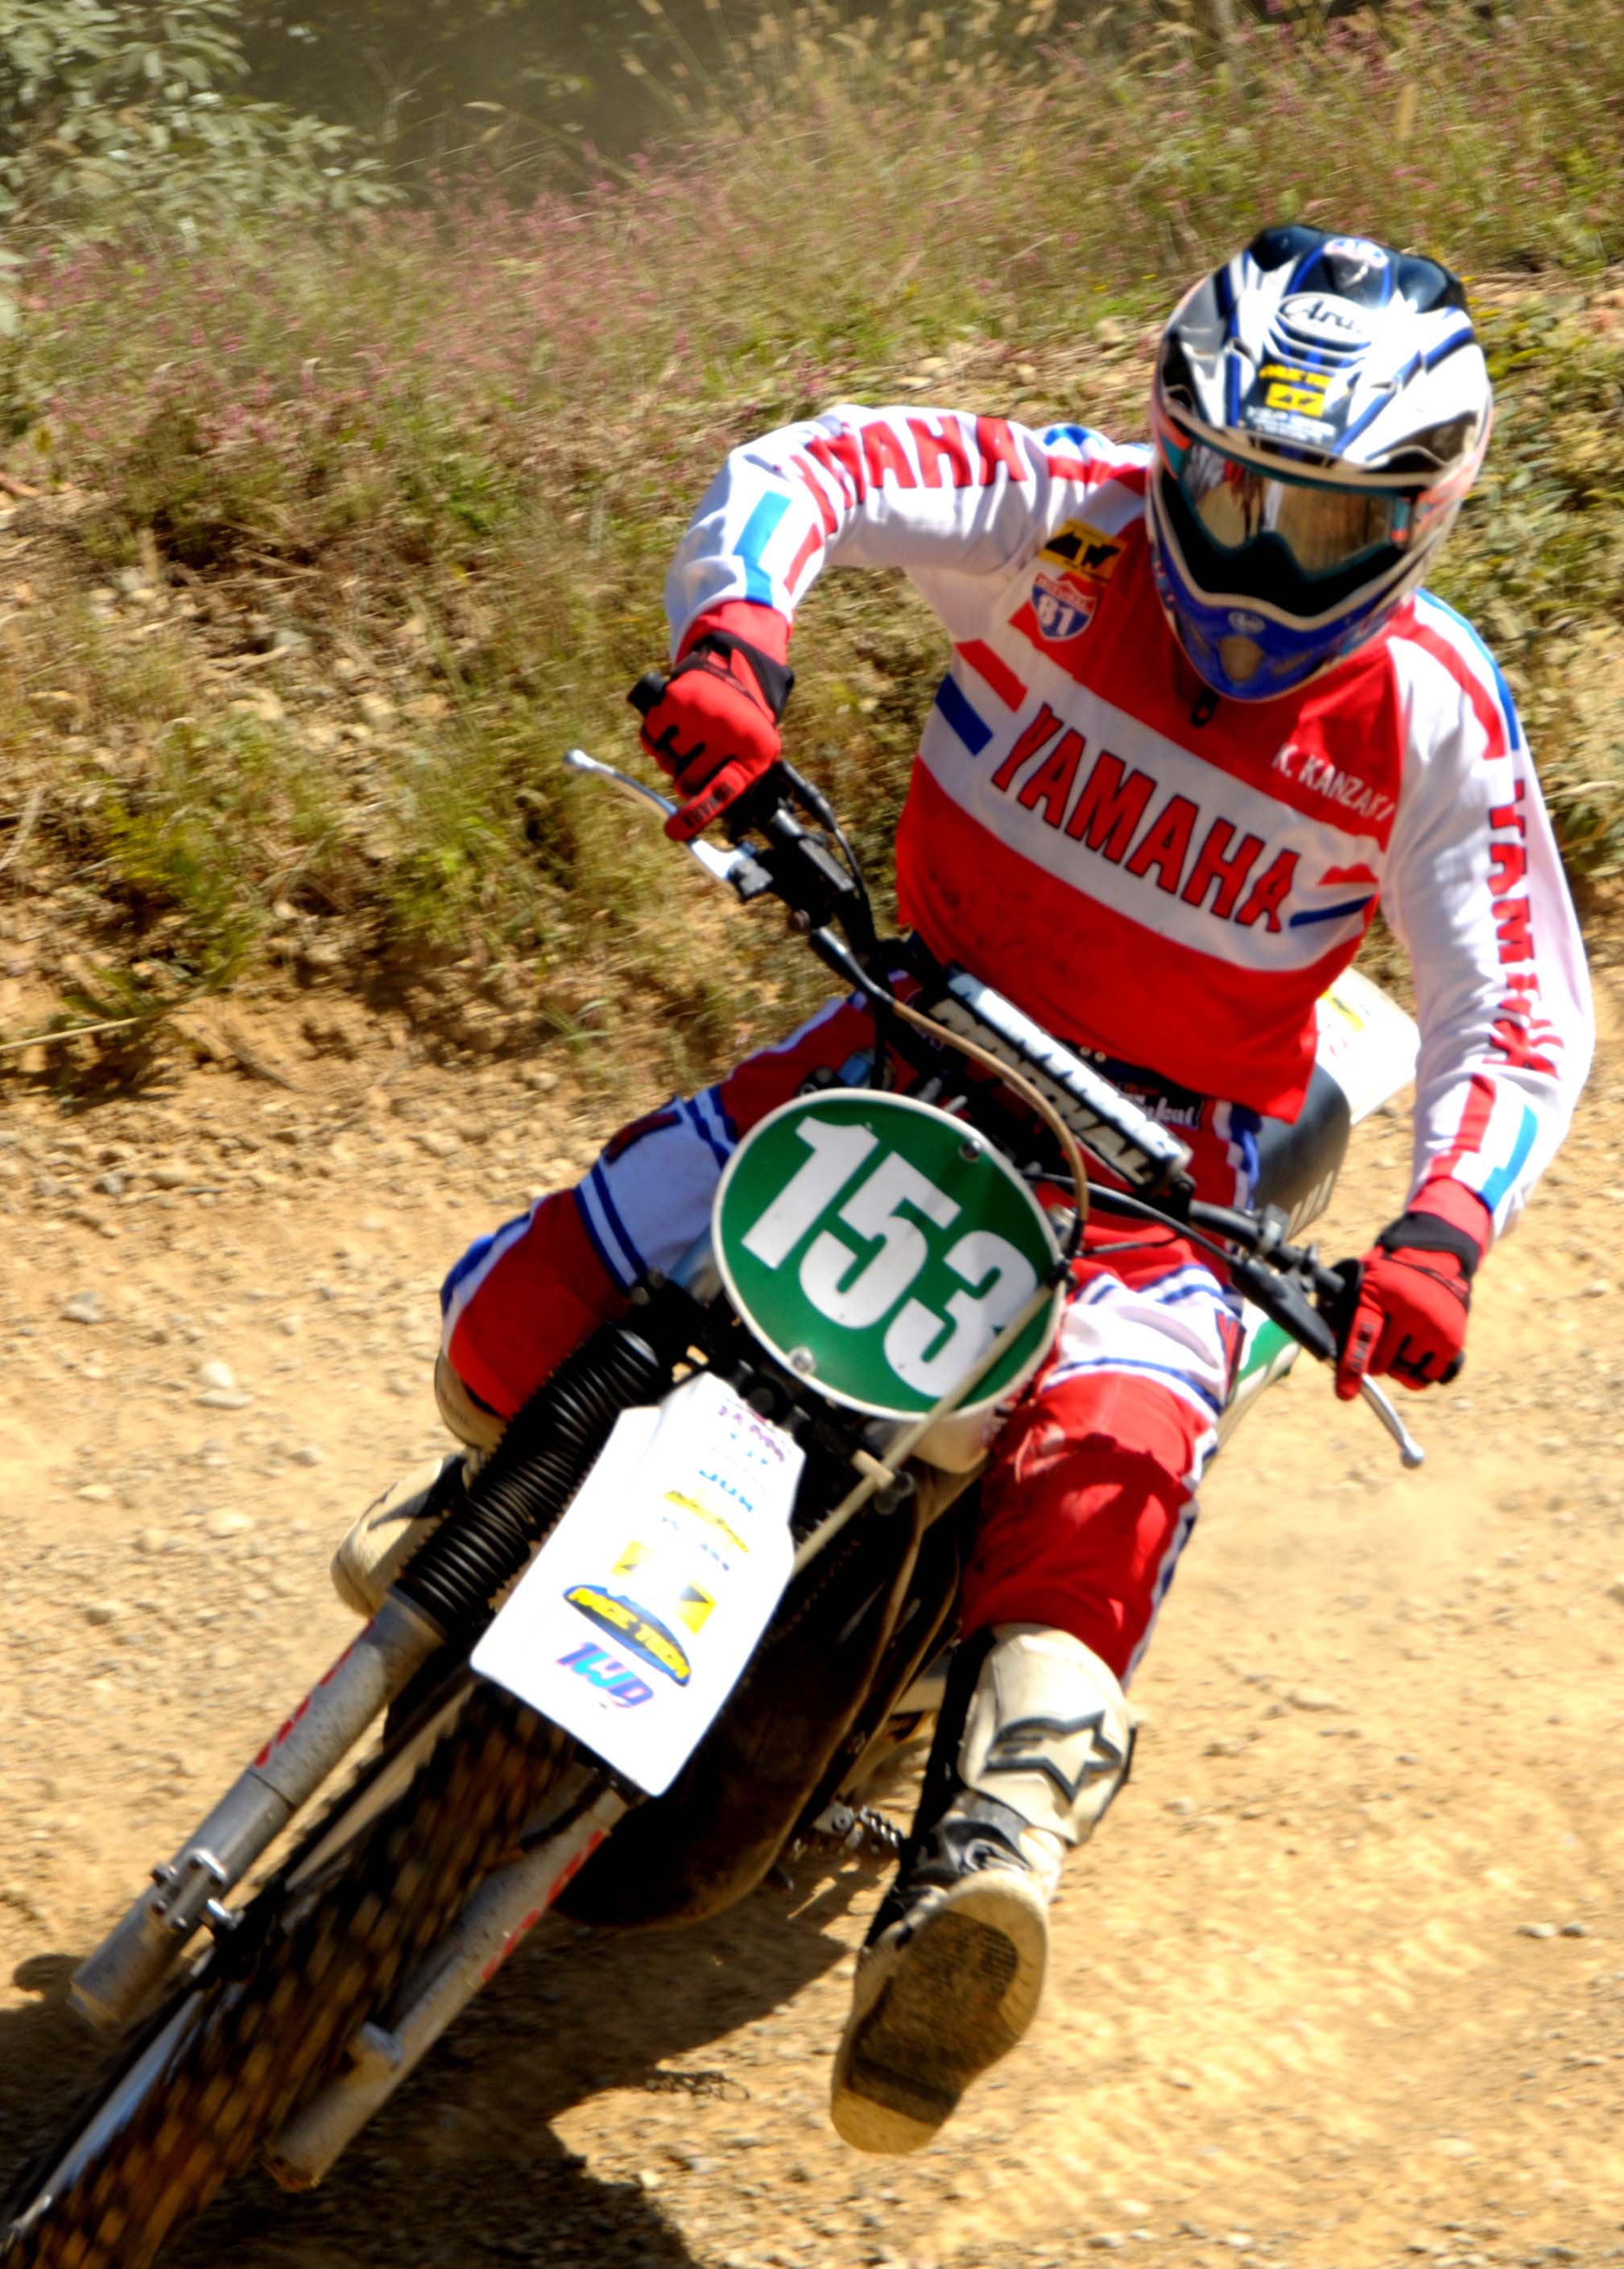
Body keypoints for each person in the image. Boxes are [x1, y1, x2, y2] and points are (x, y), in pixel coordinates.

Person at [341, 226, 1592, 2154]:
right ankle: (494, 1512)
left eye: (1330, 521)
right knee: (496, 1335)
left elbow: (1516, 1001)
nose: (1259, 554)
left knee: (1105, 1472)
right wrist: (734, 643)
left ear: (1424, 513)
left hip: (1164, 1174)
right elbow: (817, 468)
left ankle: (980, 1872)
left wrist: (1442, 1229)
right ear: (1169, 439)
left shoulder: (1435, 710)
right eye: (1228, 487)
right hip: (902, 1033)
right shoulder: (1069, 514)